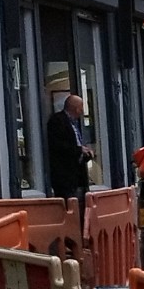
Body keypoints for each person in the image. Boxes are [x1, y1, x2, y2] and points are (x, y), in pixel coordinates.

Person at [45, 92, 93, 221]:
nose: (82, 111)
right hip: (65, 178)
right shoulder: (57, 121)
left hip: (78, 176)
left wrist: (86, 153)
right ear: (75, 108)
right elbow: (57, 146)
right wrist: (79, 150)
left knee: (81, 210)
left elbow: (75, 144)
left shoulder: (75, 124)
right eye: (81, 107)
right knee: (70, 211)